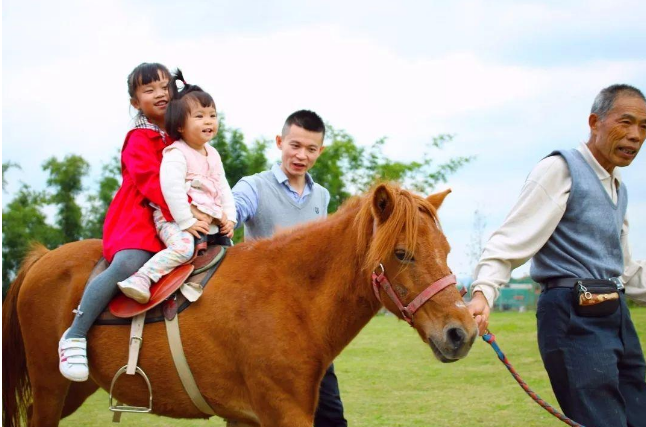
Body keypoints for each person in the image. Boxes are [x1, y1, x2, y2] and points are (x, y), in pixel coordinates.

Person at [468, 84, 646, 427]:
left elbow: (622, 269)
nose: (636, 136)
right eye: (626, 123)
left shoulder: (618, 187)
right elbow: (509, 240)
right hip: (572, 312)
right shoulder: (561, 169)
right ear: (595, 122)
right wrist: (482, 292)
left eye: (644, 127)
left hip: (615, 311)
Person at [232, 110, 347, 427]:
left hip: (311, 325)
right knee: (253, 417)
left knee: (330, 416)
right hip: (264, 323)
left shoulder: (321, 196)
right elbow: (232, 211)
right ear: (280, 142)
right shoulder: (254, 186)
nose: (301, 155)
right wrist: (223, 219)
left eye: (311, 149)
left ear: (320, 151)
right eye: (295, 145)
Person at [117, 70, 235, 304]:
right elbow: (170, 190)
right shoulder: (174, 152)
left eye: (212, 115)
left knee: (231, 252)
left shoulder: (212, 153)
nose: (208, 121)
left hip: (204, 216)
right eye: (199, 116)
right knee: (183, 249)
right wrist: (186, 221)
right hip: (171, 217)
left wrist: (230, 217)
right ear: (180, 125)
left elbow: (223, 186)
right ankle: (143, 277)